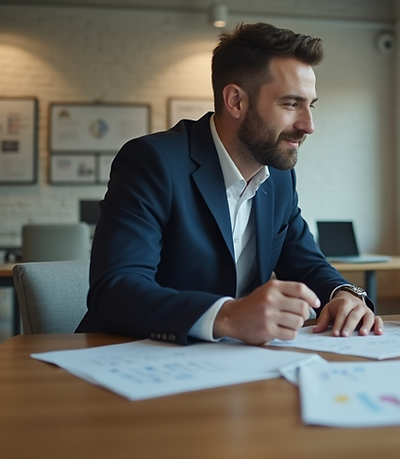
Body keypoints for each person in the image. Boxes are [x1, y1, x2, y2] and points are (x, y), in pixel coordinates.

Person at [77, 22, 383, 344]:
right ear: (235, 101)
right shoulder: (152, 162)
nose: (308, 126)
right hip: (130, 357)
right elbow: (116, 291)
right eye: (291, 104)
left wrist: (346, 294)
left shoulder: (278, 177)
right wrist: (227, 316)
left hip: (232, 365)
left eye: (311, 105)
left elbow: (308, 264)